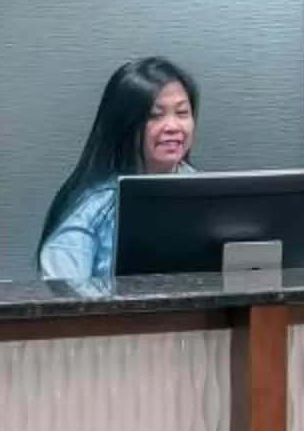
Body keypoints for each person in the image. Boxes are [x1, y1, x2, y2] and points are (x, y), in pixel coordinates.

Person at [37, 56, 199, 283]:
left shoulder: (204, 191)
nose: (173, 127)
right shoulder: (93, 207)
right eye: (155, 115)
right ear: (125, 124)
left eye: (182, 113)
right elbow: (62, 295)